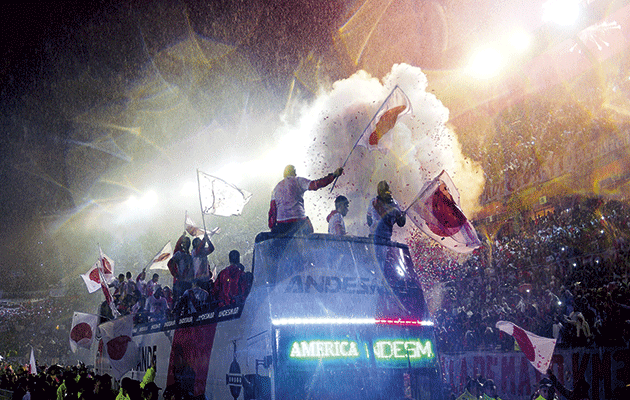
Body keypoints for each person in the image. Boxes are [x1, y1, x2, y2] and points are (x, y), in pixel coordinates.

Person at [268, 164, 343, 235]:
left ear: (284, 174)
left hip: (282, 225)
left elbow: (272, 212)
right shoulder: (298, 181)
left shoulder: (276, 188)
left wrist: (273, 229)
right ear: (294, 173)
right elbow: (316, 184)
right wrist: (334, 175)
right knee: (308, 226)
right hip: (299, 223)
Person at [168, 233, 194, 300]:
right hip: (181, 282)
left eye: (188, 243)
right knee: (180, 301)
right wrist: (175, 274)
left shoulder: (191, 256)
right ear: (182, 244)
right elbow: (170, 263)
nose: (186, 244)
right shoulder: (179, 254)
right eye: (185, 242)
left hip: (189, 282)